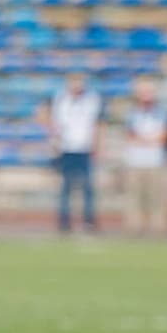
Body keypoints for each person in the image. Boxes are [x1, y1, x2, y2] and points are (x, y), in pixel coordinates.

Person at [48, 74, 102, 232]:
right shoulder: (61, 99)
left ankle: (89, 221)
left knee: (87, 187)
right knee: (66, 188)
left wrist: (97, 145)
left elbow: (97, 124)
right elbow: (53, 121)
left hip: (85, 148)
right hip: (66, 148)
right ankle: (64, 222)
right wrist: (54, 142)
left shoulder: (92, 99)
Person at [120, 79, 167, 234]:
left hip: (156, 160)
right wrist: (146, 140)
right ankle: (134, 227)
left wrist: (149, 140)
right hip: (135, 160)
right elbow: (130, 134)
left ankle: (158, 228)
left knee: (156, 197)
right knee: (134, 197)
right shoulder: (132, 113)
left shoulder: (162, 112)